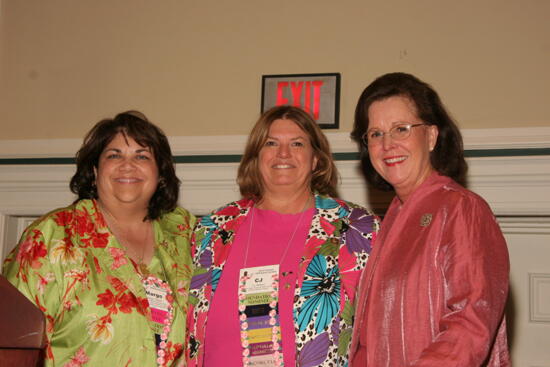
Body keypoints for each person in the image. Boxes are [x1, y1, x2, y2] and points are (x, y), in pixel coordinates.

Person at [185, 105, 379, 367]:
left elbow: (381, 329)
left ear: (315, 160)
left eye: (297, 144)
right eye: (271, 143)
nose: (283, 153)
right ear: (256, 157)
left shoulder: (357, 229)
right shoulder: (212, 230)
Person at [2, 111, 195, 367]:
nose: (128, 165)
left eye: (142, 156)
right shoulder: (52, 235)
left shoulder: (185, 234)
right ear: (95, 170)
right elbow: (12, 341)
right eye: (114, 155)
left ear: (160, 174)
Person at [349, 72, 510, 366]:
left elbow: (469, 324)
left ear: (432, 136)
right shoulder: (392, 219)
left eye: (401, 129)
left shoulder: (462, 209)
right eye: (375, 134)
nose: (387, 144)